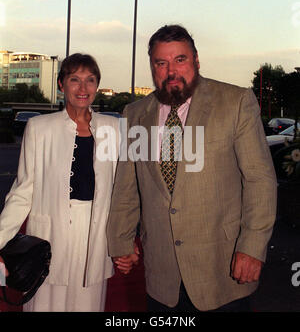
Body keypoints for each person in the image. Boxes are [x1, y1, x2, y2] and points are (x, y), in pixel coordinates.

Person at [106, 25, 277, 312]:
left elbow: (260, 180)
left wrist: (252, 246)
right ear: (152, 66)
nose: (171, 70)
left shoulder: (235, 102)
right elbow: (127, 186)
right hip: (162, 276)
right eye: (161, 63)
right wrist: (121, 240)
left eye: (180, 60)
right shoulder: (134, 114)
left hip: (223, 269)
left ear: (196, 61)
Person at [0, 53, 119, 312]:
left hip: (95, 238)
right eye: (74, 79)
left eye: (90, 80)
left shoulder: (113, 129)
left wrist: (124, 239)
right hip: (49, 235)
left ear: (97, 86)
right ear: (61, 84)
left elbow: (123, 192)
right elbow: (23, 191)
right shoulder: (39, 128)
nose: (83, 88)